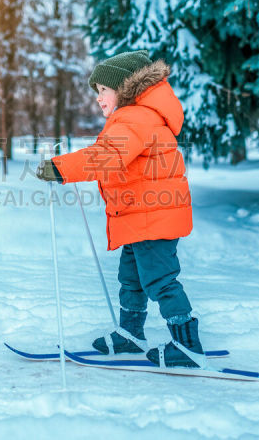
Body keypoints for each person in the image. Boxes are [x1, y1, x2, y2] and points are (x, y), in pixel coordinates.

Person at [36, 50, 204, 368]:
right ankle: (131, 333)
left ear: (125, 87)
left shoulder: (135, 118)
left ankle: (187, 345)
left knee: (160, 279)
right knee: (132, 278)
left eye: (103, 90)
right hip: (142, 218)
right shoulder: (137, 116)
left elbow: (108, 156)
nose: (99, 99)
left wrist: (61, 168)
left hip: (153, 217)